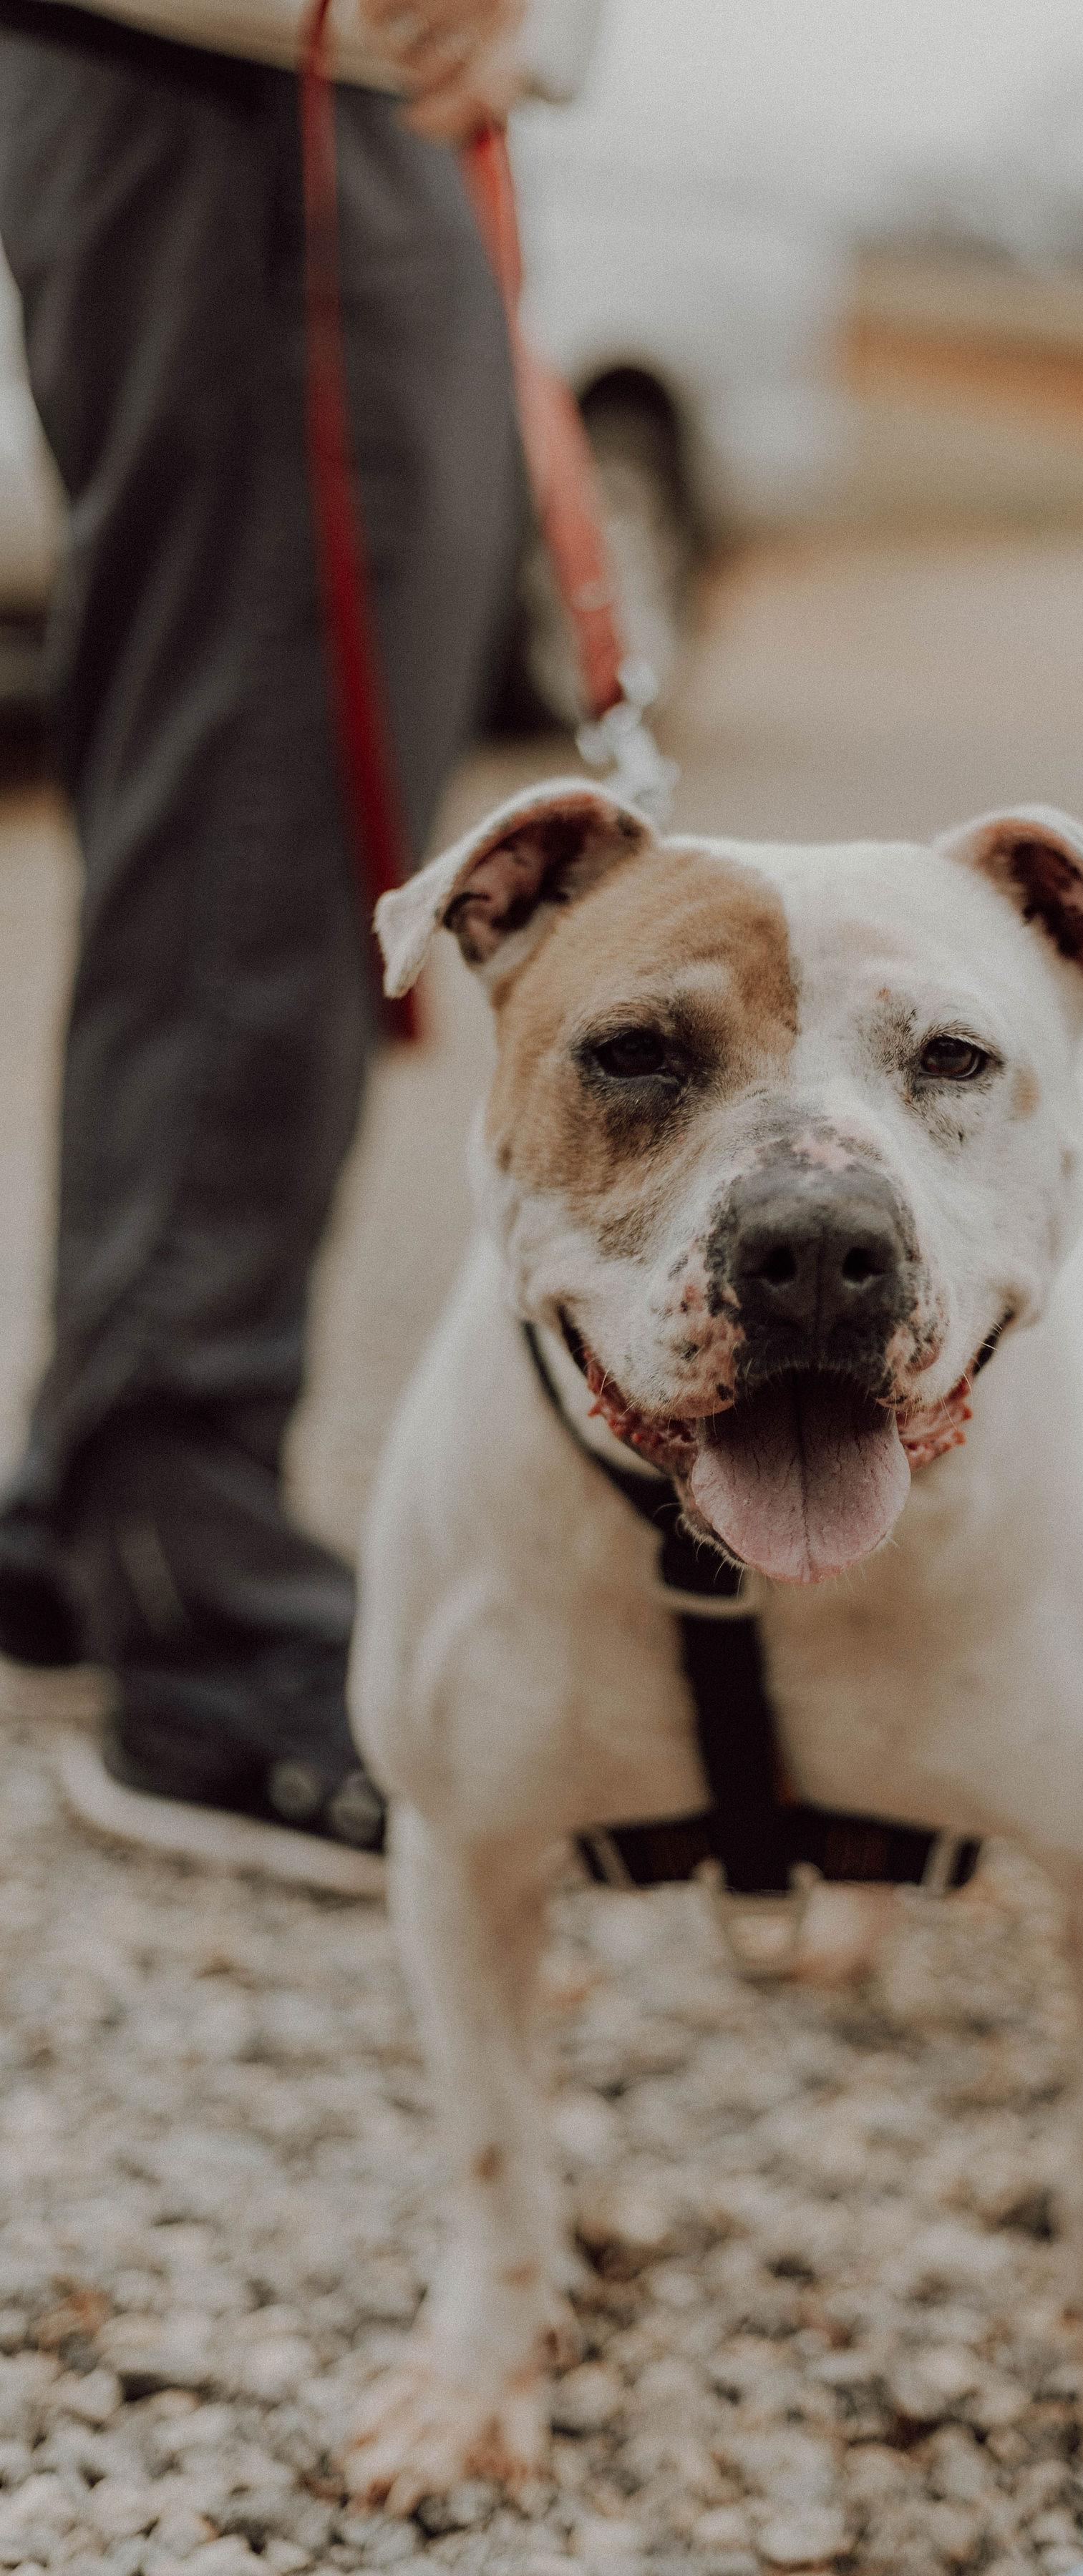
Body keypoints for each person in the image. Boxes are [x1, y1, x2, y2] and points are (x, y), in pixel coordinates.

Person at [0, 0, 599, 1878]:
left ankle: (92, 1524)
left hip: (301, 76)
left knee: (256, 771)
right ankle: (185, 1581)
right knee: (270, 785)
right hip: (262, 65)